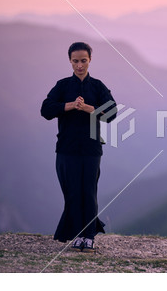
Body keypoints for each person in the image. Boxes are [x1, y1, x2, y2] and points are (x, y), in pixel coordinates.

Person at [41, 42, 116, 252]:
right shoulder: (63, 86)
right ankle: (77, 235)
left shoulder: (98, 86)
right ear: (70, 61)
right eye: (76, 61)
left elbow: (112, 113)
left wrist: (87, 108)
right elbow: (46, 110)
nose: (80, 65)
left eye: (84, 60)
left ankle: (89, 237)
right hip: (66, 148)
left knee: (89, 192)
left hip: (92, 149)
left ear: (90, 60)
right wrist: (70, 105)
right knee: (72, 192)